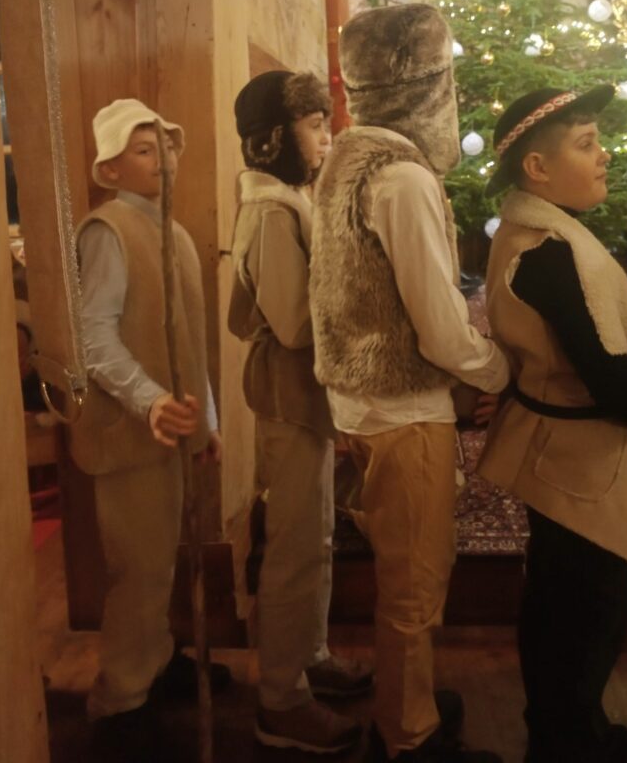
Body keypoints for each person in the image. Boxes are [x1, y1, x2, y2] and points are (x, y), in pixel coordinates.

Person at [309, 3, 510, 763]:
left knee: (405, 574)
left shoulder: (347, 159)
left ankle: (407, 703)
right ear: (431, 86)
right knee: (416, 584)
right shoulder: (401, 177)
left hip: (361, 403)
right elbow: (440, 325)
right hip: (403, 411)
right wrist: (500, 368)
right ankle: (409, 737)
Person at [476, 87, 627, 763]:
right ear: (537, 168)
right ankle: (571, 741)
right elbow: (601, 372)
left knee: (560, 602)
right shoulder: (549, 253)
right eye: (586, 144)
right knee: (591, 612)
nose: (604, 154)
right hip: (575, 456)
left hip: (556, 441)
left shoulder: (532, 233)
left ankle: (561, 728)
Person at [72, 98, 228, 754]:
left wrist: (205, 420)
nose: (162, 159)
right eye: (143, 149)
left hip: (171, 433)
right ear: (110, 169)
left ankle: (157, 662)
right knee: (138, 570)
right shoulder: (107, 232)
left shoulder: (176, 235)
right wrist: (151, 401)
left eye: (165, 146)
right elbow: (92, 337)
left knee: (164, 559)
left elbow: (188, 342)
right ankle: (120, 700)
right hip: (130, 437)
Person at [228, 70, 372, 755]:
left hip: (302, 397)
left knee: (314, 534)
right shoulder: (272, 212)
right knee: (292, 548)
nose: (326, 138)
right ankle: (281, 699)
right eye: (314, 126)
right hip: (288, 398)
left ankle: (308, 656)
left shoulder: (285, 202)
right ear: (274, 139)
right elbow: (292, 323)